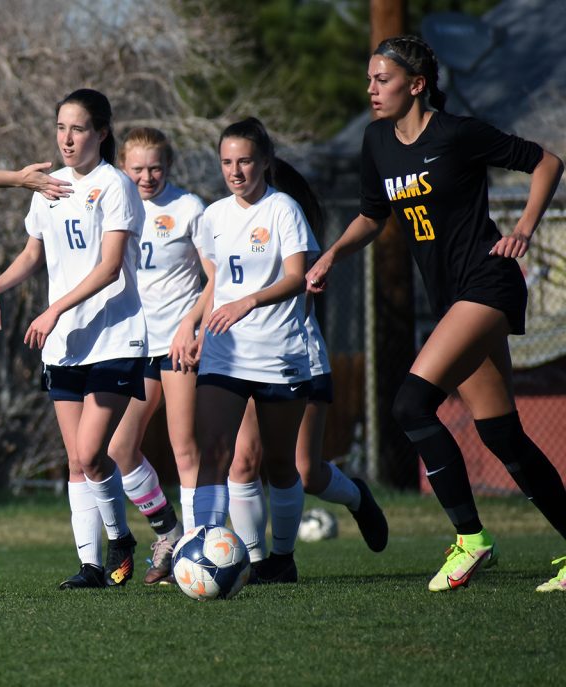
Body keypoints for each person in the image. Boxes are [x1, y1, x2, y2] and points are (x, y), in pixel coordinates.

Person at [306, 35, 566, 593]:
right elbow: (373, 217)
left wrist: (522, 230)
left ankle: (470, 539)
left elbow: (547, 162)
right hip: (453, 298)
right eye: (370, 78)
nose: (371, 89)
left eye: (383, 80)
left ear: (417, 84)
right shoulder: (377, 142)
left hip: (488, 283)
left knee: (410, 403)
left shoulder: (457, 134)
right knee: (502, 435)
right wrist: (332, 253)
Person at [0, 88, 146, 589]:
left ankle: (121, 538)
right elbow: (33, 255)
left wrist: (53, 309)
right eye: (60, 128)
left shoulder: (115, 186)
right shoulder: (48, 187)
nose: (66, 139)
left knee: (93, 453)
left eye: (77, 129)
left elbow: (111, 267)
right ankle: (91, 566)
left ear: (101, 132)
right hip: (66, 342)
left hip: (114, 336)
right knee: (75, 460)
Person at [224, 159, 388, 582]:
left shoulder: (292, 229)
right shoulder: (231, 225)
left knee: (305, 470)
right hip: (247, 358)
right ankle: (262, 564)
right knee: (243, 460)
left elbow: (305, 282)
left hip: (298, 359)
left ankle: (356, 499)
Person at [188, 117, 318, 583]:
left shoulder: (283, 209)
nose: (235, 170)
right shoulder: (214, 217)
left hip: (279, 354)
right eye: (226, 161)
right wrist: (194, 324)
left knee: (280, 463)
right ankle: (204, 553)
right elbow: (214, 282)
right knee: (217, 452)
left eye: (244, 160)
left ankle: (281, 559)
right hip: (225, 352)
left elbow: (296, 276)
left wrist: (250, 301)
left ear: (265, 161)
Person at [107, 127, 212, 584]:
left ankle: (195, 554)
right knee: (119, 448)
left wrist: (193, 326)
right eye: (137, 169)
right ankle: (168, 532)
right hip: (135, 347)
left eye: (155, 168)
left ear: (168, 167)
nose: (146, 177)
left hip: (178, 346)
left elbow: (216, 280)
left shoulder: (188, 208)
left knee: (184, 448)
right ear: (122, 168)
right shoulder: (115, 207)